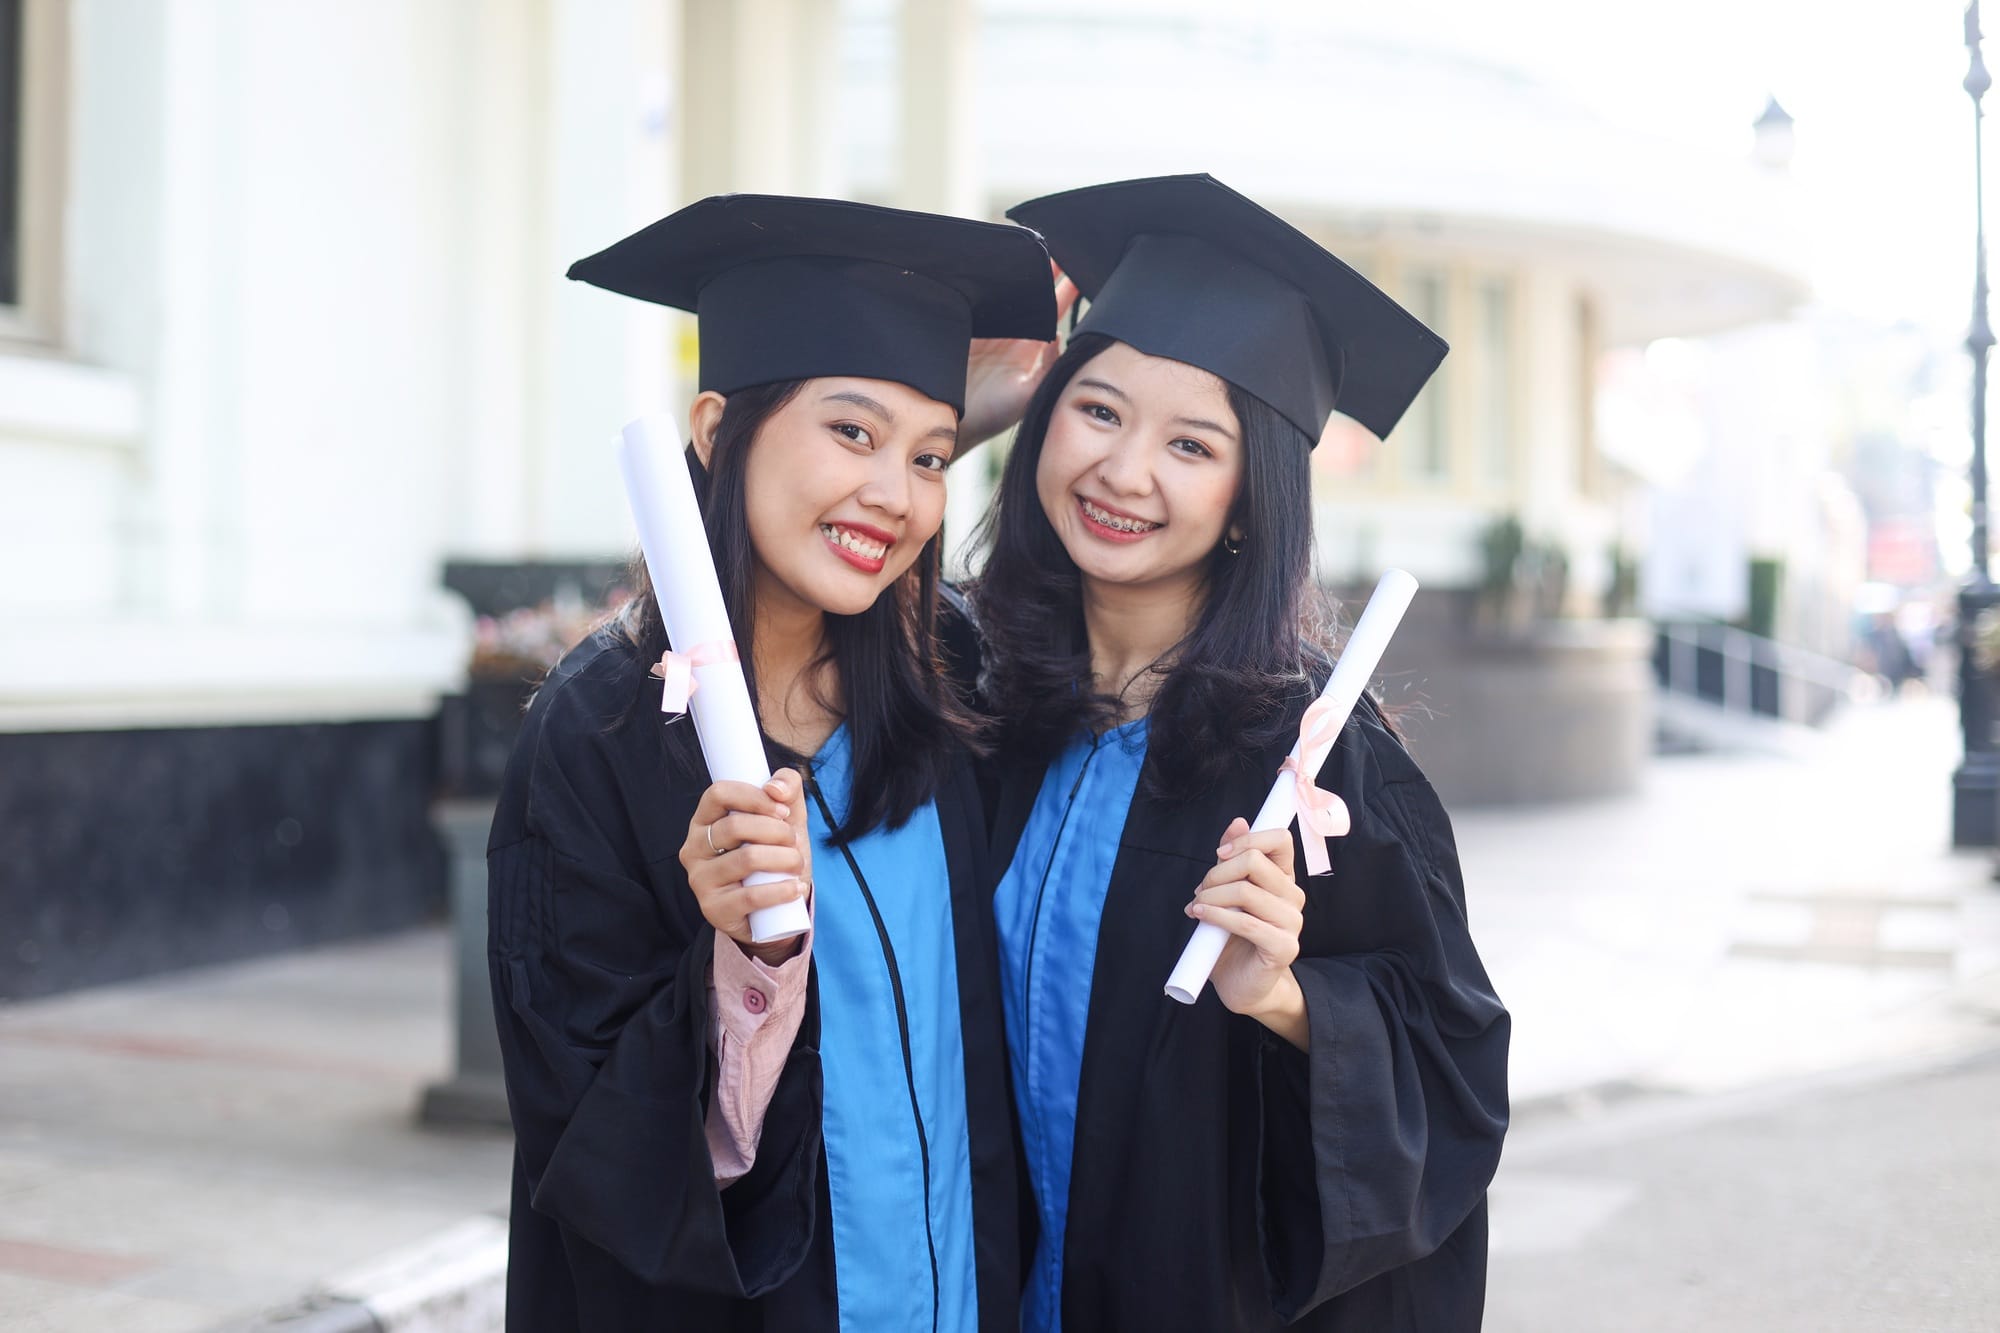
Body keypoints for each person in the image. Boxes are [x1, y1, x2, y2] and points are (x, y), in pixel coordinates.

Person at [485, 193, 1056, 1331]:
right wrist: (737, 968)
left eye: (932, 455)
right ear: (713, 429)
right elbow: (592, 1137)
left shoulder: (951, 680)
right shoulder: (603, 731)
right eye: (850, 432)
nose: (895, 495)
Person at [969, 175, 1511, 1332]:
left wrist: (1283, 997)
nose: (1123, 473)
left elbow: (1450, 1071)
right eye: (1097, 410)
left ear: (1247, 496)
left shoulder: (1315, 764)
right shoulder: (974, 701)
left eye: (1190, 443)